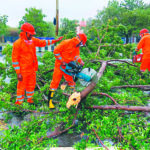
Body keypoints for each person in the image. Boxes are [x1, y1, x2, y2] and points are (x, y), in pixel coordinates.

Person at [12, 22, 63, 105]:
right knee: (21, 87)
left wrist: (55, 41)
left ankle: (30, 100)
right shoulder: (17, 44)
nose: (32, 36)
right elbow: (15, 59)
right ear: (24, 32)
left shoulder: (32, 41)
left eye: (32, 34)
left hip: (32, 69)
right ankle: (19, 104)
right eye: (30, 34)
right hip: (23, 71)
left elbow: (43, 42)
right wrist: (18, 73)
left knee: (31, 86)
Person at [48, 33, 87, 109]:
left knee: (71, 82)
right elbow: (56, 51)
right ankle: (50, 102)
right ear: (79, 40)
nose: (80, 46)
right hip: (59, 66)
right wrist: (61, 60)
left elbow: (76, 56)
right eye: (81, 44)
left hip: (68, 67)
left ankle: (74, 100)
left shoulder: (76, 47)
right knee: (55, 83)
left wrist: (80, 61)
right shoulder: (66, 42)